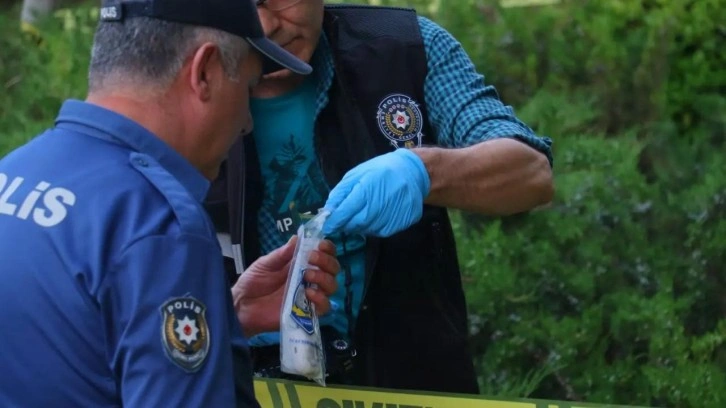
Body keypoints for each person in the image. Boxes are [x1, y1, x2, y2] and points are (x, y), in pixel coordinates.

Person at [0, 0, 340, 406]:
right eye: (248, 88)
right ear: (204, 72)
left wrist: (225, 315)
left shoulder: (14, 173)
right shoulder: (159, 226)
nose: (247, 122)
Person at [204, 0, 554, 394]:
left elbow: (531, 173)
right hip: (246, 386)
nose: (267, 26)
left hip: (414, 379)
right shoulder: (177, 77)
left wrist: (424, 172)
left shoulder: (405, 47)